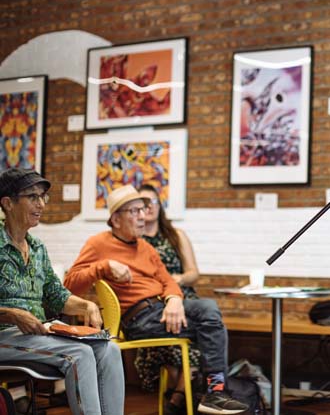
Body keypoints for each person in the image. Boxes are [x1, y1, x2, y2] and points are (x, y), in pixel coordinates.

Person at [63, 185, 247, 415]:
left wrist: (174, 300)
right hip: (137, 319)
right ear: (116, 219)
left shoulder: (147, 248)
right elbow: (70, 285)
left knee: (209, 312)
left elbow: (168, 280)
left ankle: (213, 393)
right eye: (134, 211)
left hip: (159, 309)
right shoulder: (98, 243)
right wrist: (103, 267)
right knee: (210, 323)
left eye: (143, 209)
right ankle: (213, 393)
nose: (143, 217)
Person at [0, 168, 124, 415]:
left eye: (43, 196)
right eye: (32, 197)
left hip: (34, 335)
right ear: (8, 203)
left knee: (109, 349)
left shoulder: (37, 248)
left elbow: (56, 295)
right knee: (78, 353)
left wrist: (86, 306)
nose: (41, 204)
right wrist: (12, 314)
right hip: (3, 334)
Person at [135, 183, 203, 414]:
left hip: (182, 297)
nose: (148, 207)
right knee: (170, 346)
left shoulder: (175, 235)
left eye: (152, 202)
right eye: (142, 203)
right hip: (152, 303)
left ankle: (175, 400)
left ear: (159, 206)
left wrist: (177, 280)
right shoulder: (134, 240)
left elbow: (194, 273)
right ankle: (181, 395)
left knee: (199, 334)